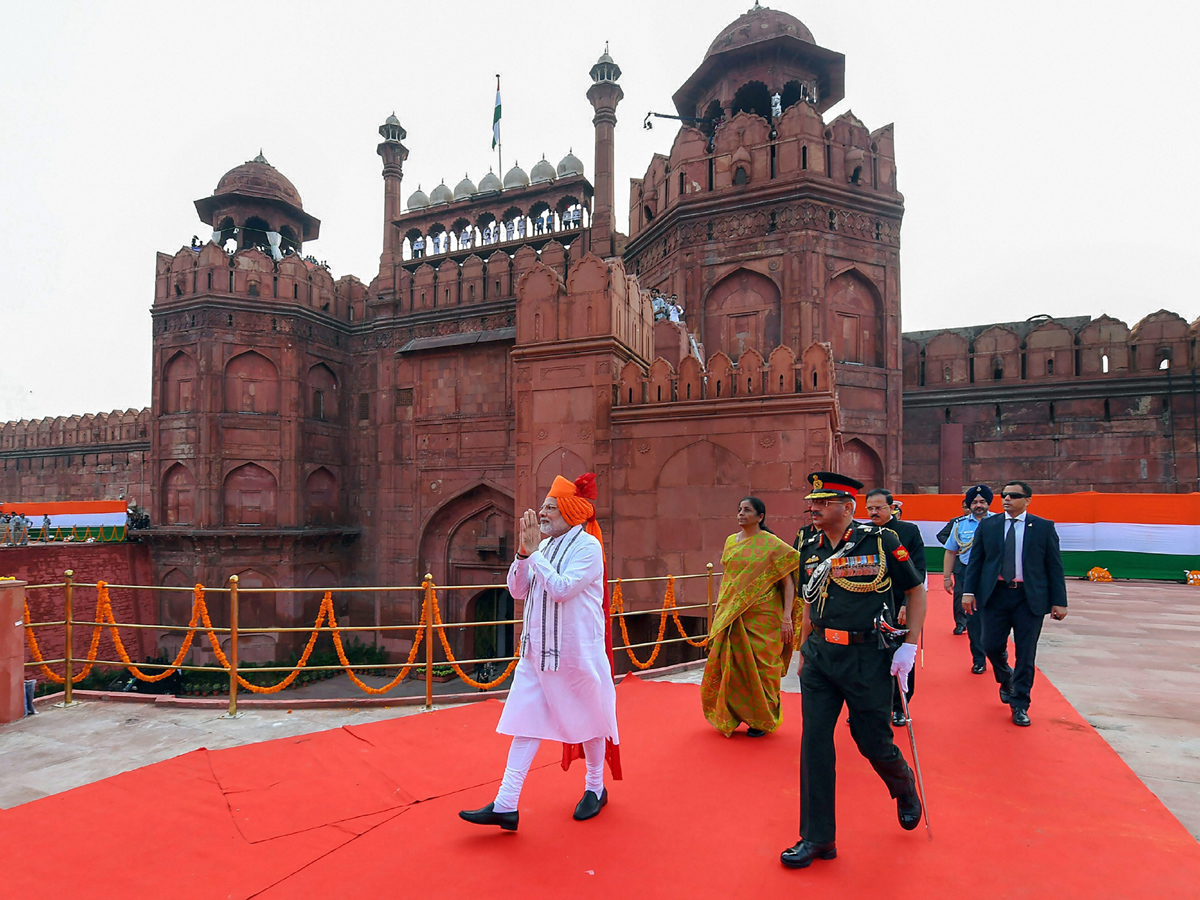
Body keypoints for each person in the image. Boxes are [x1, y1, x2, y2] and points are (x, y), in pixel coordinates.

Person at [782, 472, 927, 870]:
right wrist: (803, 651)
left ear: (848, 508)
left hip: (866, 658)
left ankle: (902, 784)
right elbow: (810, 601)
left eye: (823, 503)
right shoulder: (807, 544)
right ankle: (817, 838)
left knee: (871, 741)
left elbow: (915, 591)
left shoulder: (881, 541)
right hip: (821, 656)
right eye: (811, 502)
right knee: (814, 743)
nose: (813, 508)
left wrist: (910, 646)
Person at [459, 473, 621, 831]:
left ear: (569, 511)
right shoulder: (543, 547)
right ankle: (506, 803)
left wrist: (535, 554)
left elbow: (562, 589)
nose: (542, 513)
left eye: (550, 507)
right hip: (535, 654)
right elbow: (518, 591)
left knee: (591, 721)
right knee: (525, 724)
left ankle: (595, 787)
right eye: (544, 507)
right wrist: (522, 554)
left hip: (576, 654)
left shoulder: (588, 548)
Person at [961, 480, 1067, 727]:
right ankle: (1005, 676)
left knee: (1026, 653)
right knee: (990, 645)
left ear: (1027, 500)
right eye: (1004, 495)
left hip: (1028, 598)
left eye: (1013, 496)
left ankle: (1020, 703)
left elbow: (1054, 566)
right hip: (995, 595)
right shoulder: (989, 526)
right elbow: (976, 561)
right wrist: (968, 591)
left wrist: (1059, 601)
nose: (1007, 499)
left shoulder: (1042, 527)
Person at [700, 497, 800, 737]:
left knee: (763, 667)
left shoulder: (773, 544)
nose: (741, 514)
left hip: (764, 617)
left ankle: (761, 720)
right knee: (731, 665)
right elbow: (729, 579)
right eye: (739, 510)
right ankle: (732, 715)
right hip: (733, 614)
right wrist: (721, 610)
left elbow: (788, 583)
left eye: (747, 510)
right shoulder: (730, 542)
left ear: (760, 516)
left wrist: (787, 617)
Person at [864, 489, 926, 727]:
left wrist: (906, 604)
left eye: (879, 508)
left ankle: (900, 705)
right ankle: (869, 707)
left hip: (900, 601)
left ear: (892, 508)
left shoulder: (907, 532)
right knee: (870, 657)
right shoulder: (864, 533)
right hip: (871, 603)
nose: (874, 512)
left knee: (900, 656)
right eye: (870, 508)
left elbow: (918, 571)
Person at [943, 485, 995, 673]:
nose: (978, 505)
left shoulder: (999, 522)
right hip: (968, 574)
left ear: (988, 503)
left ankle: (998, 656)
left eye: (982, 501)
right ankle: (979, 659)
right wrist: (947, 577)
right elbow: (950, 551)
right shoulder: (960, 524)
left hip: (993, 576)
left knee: (995, 618)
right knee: (973, 620)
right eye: (974, 502)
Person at [938, 499, 971, 633]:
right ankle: (960, 623)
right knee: (959, 594)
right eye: (965, 507)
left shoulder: (989, 521)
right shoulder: (957, 522)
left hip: (981, 565)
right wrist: (956, 545)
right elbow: (941, 535)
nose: (967, 510)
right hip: (960, 564)